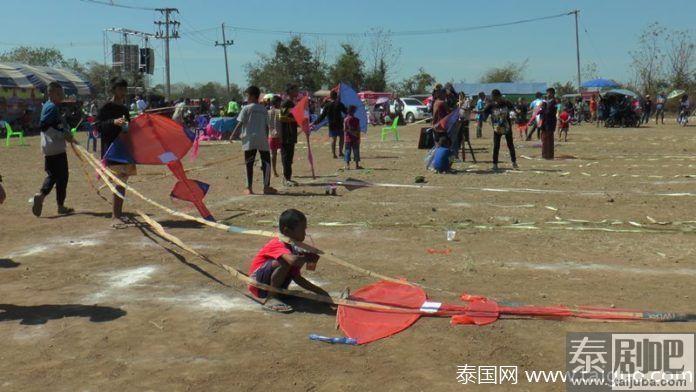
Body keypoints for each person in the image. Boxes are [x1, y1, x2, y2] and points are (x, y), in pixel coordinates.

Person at [248, 209, 331, 312]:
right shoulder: (277, 243)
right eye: (302, 230)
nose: (305, 234)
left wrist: (321, 293)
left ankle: (277, 294)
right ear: (287, 231)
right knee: (285, 263)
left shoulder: (292, 249)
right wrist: (306, 257)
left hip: (269, 285)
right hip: (258, 285)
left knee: (288, 263)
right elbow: (293, 261)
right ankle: (271, 298)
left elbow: (297, 278)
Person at [32, 82, 74, 217]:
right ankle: (45, 197)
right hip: (55, 148)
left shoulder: (50, 107)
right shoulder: (51, 107)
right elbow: (44, 126)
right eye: (58, 93)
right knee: (61, 177)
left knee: (55, 175)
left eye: (61, 93)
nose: (61, 95)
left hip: (51, 147)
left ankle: (52, 201)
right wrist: (62, 135)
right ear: (50, 94)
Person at [94, 77, 133, 225]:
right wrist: (113, 122)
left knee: (123, 181)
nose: (123, 92)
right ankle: (115, 215)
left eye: (124, 89)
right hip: (110, 149)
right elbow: (97, 126)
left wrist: (128, 126)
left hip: (123, 149)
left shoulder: (124, 109)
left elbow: (128, 128)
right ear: (114, 89)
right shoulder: (106, 107)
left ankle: (118, 213)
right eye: (120, 88)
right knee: (118, 180)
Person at [232, 86, 276, 195]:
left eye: (247, 95)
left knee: (249, 163)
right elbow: (266, 126)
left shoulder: (246, 108)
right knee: (266, 163)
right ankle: (266, 186)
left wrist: (233, 134)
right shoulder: (263, 109)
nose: (246, 98)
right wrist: (266, 137)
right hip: (262, 138)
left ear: (251, 96)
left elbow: (240, 122)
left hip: (249, 139)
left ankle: (249, 187)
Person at [482, 89, 518, 171]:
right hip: (497, 128)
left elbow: (513, 110)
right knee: (496, 146)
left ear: (499, 96)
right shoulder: (491, 105)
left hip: (507, 127)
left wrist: (513, 114)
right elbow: (485, 112)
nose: (494, 99)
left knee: (510, 144)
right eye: (493, 97)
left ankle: (514, 162)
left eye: (495, 97)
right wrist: (484, 117)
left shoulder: (506, 103)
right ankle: (495, 164)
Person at [314, 90, 346, 159]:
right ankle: (340, 152)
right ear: (336, 96)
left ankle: (334, 154)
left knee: (333, 139)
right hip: (339, 123)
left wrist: (315, 122)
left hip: (331, 124)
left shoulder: (327, 105)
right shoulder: (339, 104)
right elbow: (346, 111)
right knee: (342, 138)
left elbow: (322, 116)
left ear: (330, 97)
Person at [279, 84, 299, 186]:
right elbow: (281, 117)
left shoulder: (292, 103)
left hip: (291, 134)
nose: (297, 91)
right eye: (295, 89)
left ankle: (288, 177)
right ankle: (286, 179)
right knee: (286, 157)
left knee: (289, 157)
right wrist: (294, 120)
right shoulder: (287, 103)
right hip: (286, 134)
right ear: (290, 91)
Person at [539, 87, 558, 160]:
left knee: (549, 139)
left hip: (550, 122)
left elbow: (549, 112)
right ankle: (545, 154)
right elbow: (542, 110)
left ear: (553, 94)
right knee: (544, 139)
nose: (548, 94)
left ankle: (549, 155)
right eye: (547, 93)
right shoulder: (546, 101)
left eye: (549, 93)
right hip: (544, 122)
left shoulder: (553, 102)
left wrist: (543, 107)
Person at [343, 105, 363, 170]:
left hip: (347, 138)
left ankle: (347, 165)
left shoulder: (346, 119)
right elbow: (358, 130)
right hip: (355, 138)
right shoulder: (357, 120)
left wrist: (351, 132)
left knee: (347, 151)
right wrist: (358, 137)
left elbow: (345, 129)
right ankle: (357, 165)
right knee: (356, 151)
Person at [268, 95, 283, 177]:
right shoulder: (280, 112)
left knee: (273, 155)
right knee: (283, 154)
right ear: (277, 102)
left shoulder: (268, 112)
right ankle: (284, 170)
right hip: (280, 136)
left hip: (271, 136)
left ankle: (274, 171)